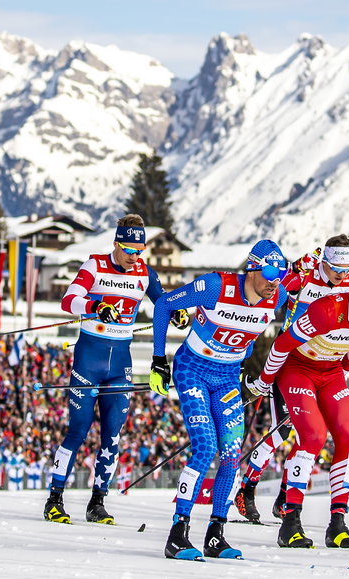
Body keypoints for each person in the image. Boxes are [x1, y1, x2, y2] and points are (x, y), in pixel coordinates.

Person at [236, 237, 349, 523]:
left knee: (313, 435)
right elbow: (273, 292)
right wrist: (294, 273)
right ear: (323, 262)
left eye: (346, 268)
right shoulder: (310, 274)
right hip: (294, 356)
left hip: (328, 362)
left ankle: (286, 497)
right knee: (282, 431)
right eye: (334, 268)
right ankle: (247, 488)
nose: (341, 274)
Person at [42, 214, 188, 525]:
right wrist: (96, 306)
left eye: (140, 250)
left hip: (120, 362)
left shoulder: (145, 273)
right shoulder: (94, 264)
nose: (136, 257)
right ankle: (54, 499)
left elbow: (162, 303)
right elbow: (69, 300)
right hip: (88, 359)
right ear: (116, 245)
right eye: (130, 250)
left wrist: (177, 314)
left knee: (112, 435)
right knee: (78, 431)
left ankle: (98, 502)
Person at [150, 239, 290, 561]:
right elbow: (164, 305)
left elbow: (249, 338)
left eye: (280, 273)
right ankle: (178, 533)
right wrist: (159, 360)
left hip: (226, 378)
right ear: (251, 269)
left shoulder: (278, 296)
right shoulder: (215, 286)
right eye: (269, 272)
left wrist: (244, 370)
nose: (274, 281)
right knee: (205, 448)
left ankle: (216, 534)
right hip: (192, 370)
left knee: (230, 454)